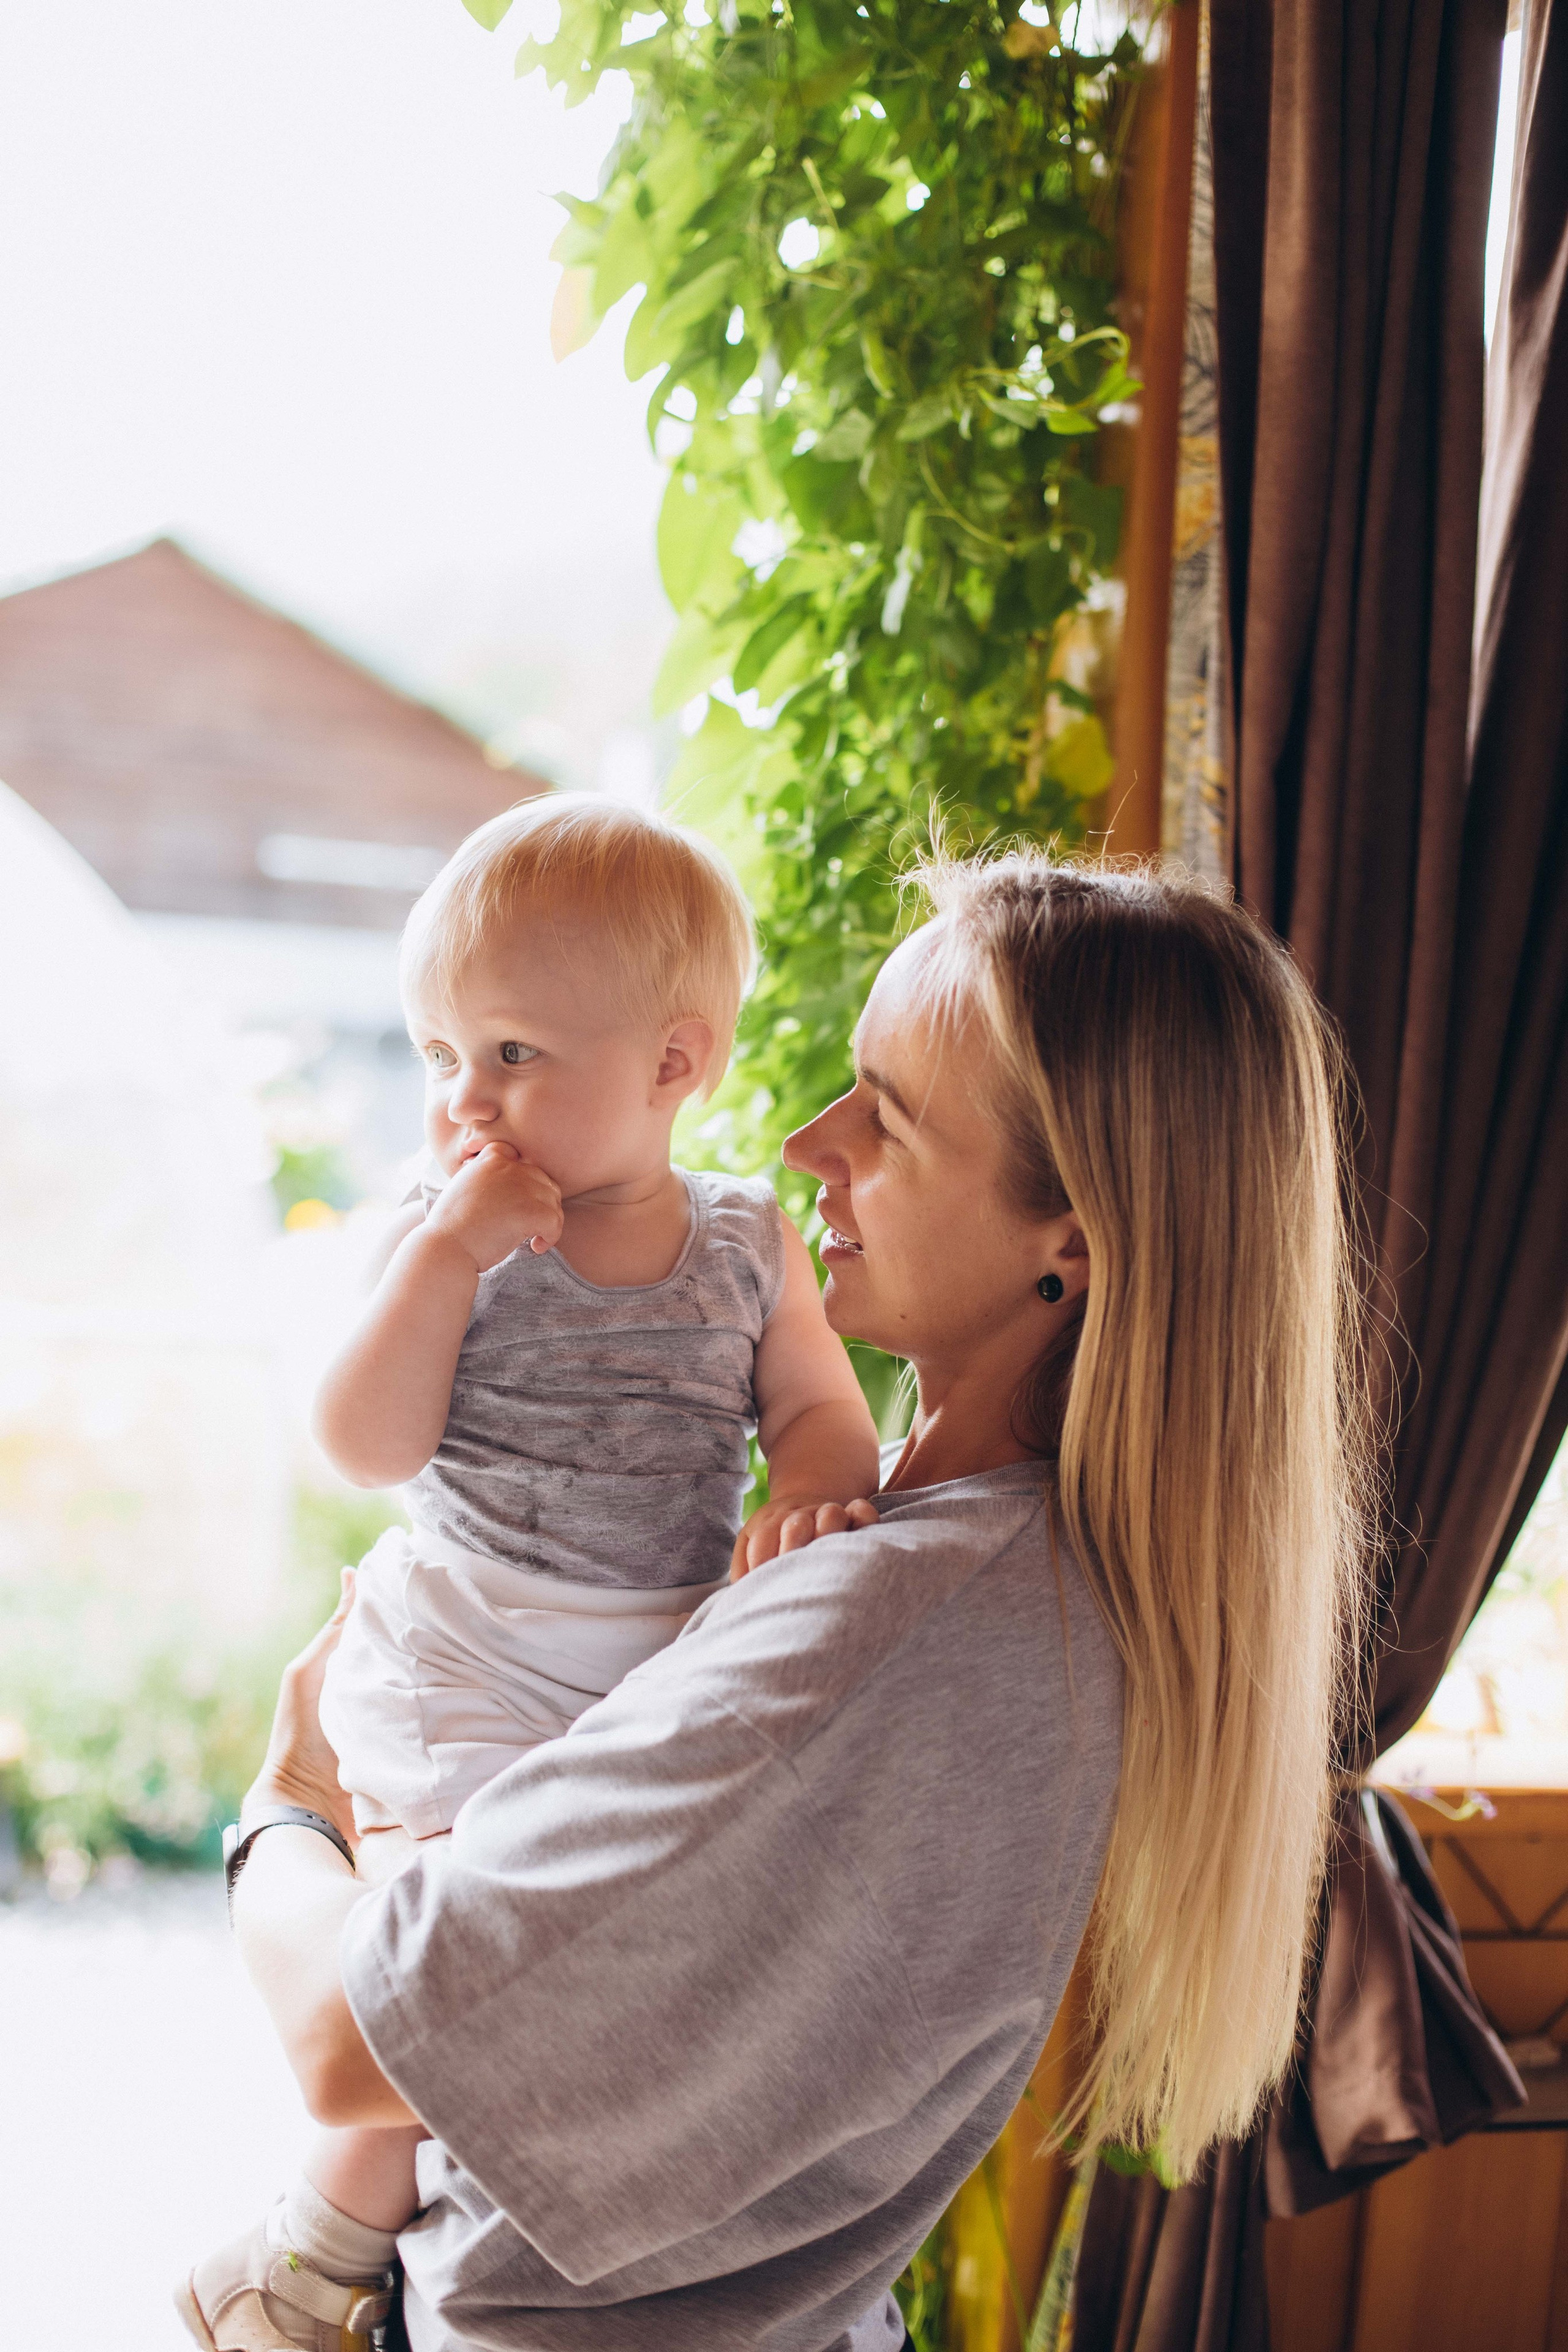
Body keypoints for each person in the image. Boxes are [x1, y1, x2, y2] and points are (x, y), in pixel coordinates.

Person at [205, 850, 1370, 2352]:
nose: (809, 1145)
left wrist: (290, 1810)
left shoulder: (894, 1628)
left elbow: (351, 2038)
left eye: (885, 1119)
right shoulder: (945, 1549)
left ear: (1065, 1247)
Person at [178, 796, 881, 2352]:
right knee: (461, 1977)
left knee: (580, 1975)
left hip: (655, 1668)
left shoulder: (747, 1243)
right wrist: (443, 1259)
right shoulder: (449, 1237)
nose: (463, 1103)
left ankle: (346, 2252)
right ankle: (311, 2263)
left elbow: (820, 1411)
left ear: (672, 1067)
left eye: (508, 1055)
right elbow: (362, 1444)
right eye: (439, 1057)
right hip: (468, 1650)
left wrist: (822, 1488)